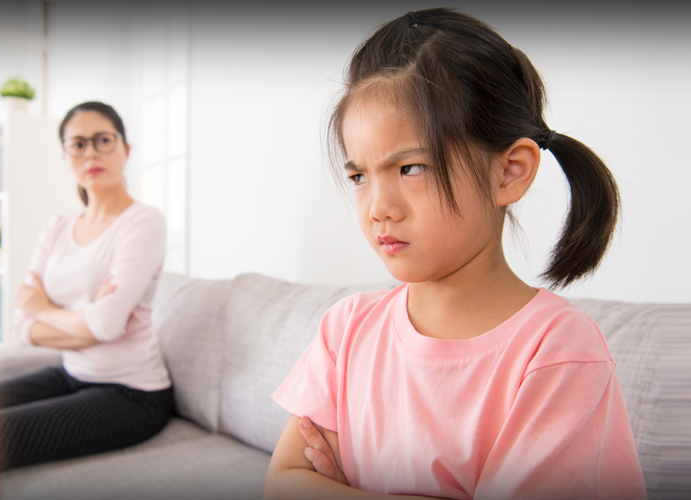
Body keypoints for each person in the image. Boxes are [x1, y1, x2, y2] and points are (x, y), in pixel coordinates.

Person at [264, 8, 647, 500]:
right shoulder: (347, 330)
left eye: (412, 168)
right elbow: (282, 483)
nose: (379, 208)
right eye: (359, 176)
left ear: (509, 171)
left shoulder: (557, 352)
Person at [0, 102, 172, 499]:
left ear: (126, 150)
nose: (91, 152)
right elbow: (19, 328)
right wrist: (85, 323)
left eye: (103, 140)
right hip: (72, 374)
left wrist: (45, 310)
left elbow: (105, 324)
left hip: (132, 394)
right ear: (65, 156)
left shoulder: (143, 222)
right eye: (77, 144)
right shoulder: (56, 228)